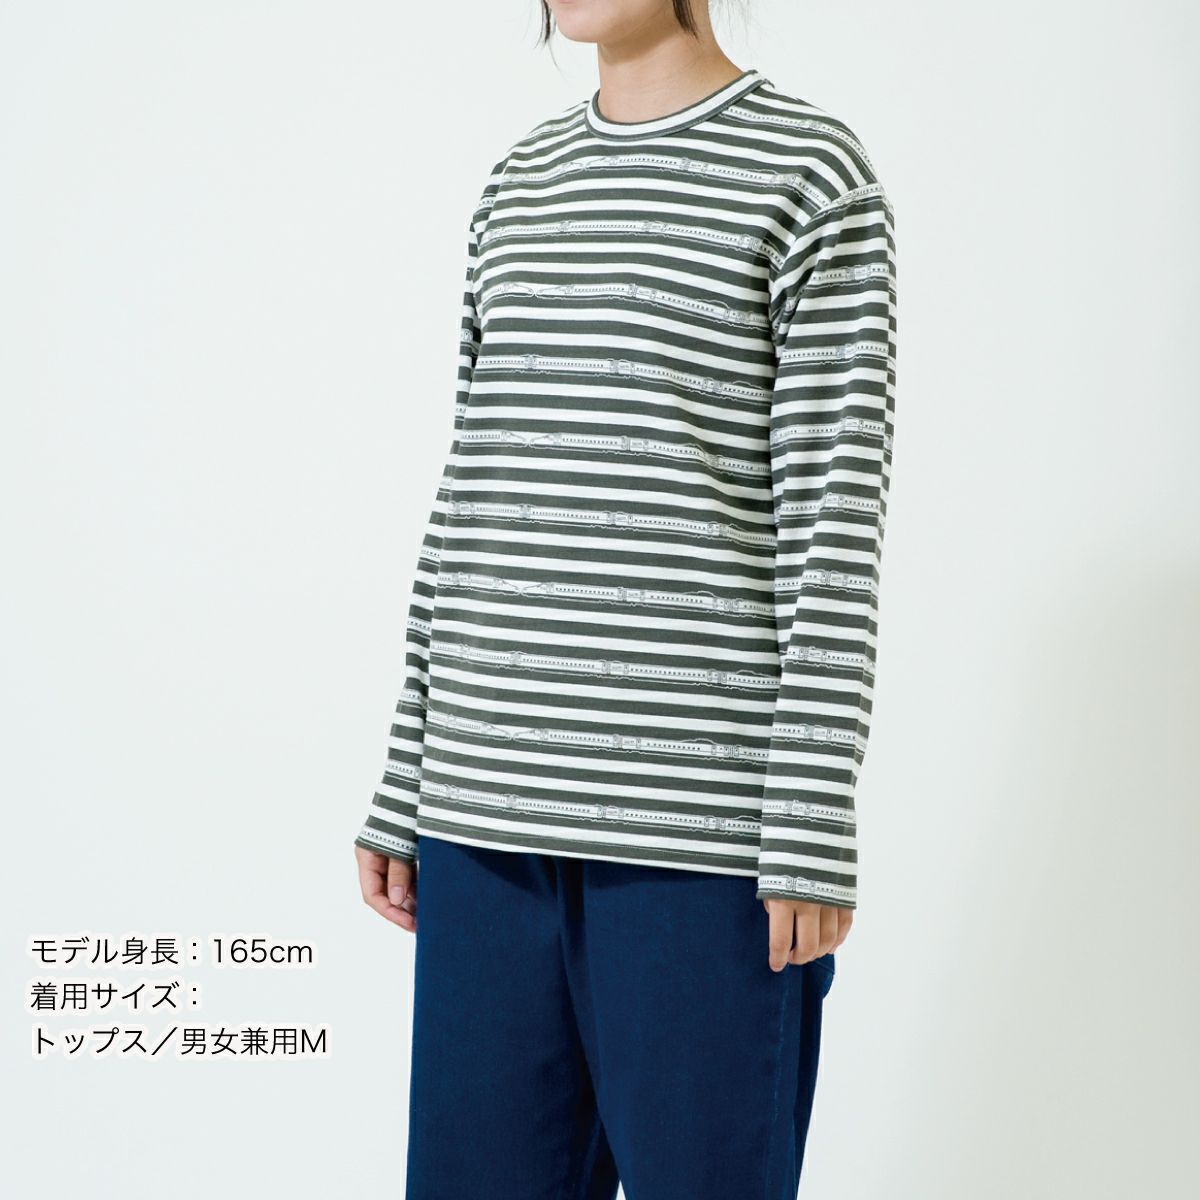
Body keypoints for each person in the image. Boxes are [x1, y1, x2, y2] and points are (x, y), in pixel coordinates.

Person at [354, 2, 896, 1196]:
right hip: (483, 813)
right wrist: (407, 777)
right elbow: (475, 489)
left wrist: (809, 815)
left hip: (696, 837)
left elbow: (833, 521)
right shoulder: (522, 183)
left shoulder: (809, 173)